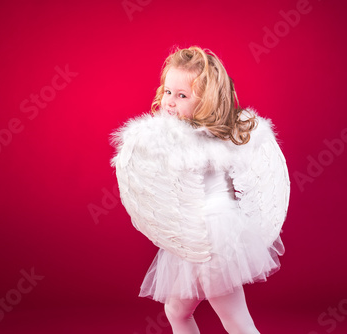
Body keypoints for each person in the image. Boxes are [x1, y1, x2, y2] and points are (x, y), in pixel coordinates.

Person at [111, 46, 290, 334]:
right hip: (192, 235)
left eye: (182, 96)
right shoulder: (182, 135)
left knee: (236, 320)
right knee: (176, 310)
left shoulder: (202, 139)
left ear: (207, 101)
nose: (170, 102)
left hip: (216, 238)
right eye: (168, 91)